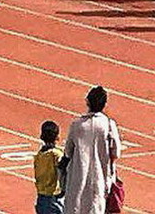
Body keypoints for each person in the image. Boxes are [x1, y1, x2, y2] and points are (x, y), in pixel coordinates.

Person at [62, 85, 122, 214]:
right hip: (100, 179)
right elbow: (116, 153)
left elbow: (68, 151)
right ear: (104, 104)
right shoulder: (108, 125)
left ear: (87, 102)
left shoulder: (77, 125)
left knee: (75, 207)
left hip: (77, 179)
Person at [34, 120, 65, 214]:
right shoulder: (56, 154)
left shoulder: (39, 155)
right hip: (54, 196)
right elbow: (63, 170)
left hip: (41, 196)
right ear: (57, 137)